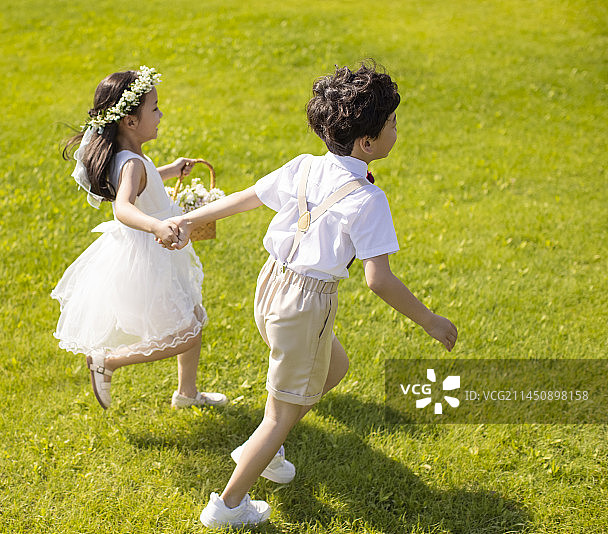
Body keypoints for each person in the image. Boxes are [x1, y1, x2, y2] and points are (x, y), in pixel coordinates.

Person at [170, 62, 458, 528]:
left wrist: (188, 220)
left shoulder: (305, 166)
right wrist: (428, 319)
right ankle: (228, 505)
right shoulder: (368, 200)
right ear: (367, 142)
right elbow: (378, 278)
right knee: (282, 410)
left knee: (334, 366)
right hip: (306, 304)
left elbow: (248, 197)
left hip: (271, 289)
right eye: (392, 124)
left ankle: (264, 446)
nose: (396, 129)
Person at [51, 66, 227, 411]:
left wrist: (171, 171)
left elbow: (146, 182)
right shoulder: (131, 162)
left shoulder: (128, 157)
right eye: (155, 108)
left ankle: (186, 394)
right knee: (186, 332)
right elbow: (123, 207)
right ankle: (108, 361)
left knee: (194, 313)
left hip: (158, 251)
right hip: (152, 254)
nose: (160, 115)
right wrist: (157, 227)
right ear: (130, 121)